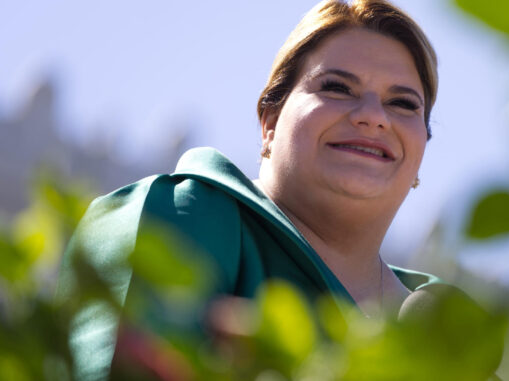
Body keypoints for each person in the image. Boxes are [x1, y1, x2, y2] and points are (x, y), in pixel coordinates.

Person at [57, 0, 445, 379]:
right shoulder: (181, 212)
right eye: (338, 87)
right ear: (270, 122)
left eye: (402, 103)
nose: (374, 116)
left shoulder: (448, 324)